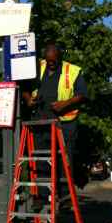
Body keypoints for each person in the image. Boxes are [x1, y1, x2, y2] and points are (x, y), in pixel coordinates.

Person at [22, 41, 88, 206]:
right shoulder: (38, 67)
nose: (50, 64)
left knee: (64, 160)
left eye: (53, 61)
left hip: (64, 122)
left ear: (60, 57)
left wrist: (64, 104)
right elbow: (24, 87)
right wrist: (28, 99)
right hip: (42, 121)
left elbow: (82, 95)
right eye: (48, 60)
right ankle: (43, 196)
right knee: (41, 158)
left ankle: (65, 196)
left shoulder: (72, 70)